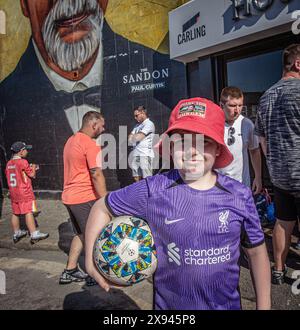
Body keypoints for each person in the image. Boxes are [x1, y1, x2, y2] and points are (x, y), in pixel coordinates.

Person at [85, 97, 271, 310]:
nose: (193, 151)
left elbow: (256, 254)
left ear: (219, 149)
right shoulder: (153, 189)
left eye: (204, 141)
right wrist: (91, 261)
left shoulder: (239, 195)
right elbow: (102, 207)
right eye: (182, 142)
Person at [255, 44, 300, 285]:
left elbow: (262, 140)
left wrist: (273, 165)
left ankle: (279, 269)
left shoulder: (265, 97)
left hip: (280, 175)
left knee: (282, 222)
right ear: (298, 64)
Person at [59, 111, 107, 285]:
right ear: (93, 125)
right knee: (94, 237)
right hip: (84, 198)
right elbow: (96, 174)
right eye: (102, 125)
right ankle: (93, 275)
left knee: (80, 234)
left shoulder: (70, 141)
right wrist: (104, 199)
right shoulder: (90, 144)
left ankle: (70, 270)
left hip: (70, 198)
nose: (104, 128)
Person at [218, 87, 262, 194]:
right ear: (221, 105)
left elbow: (254, 151)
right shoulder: (214, 124)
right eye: (232, 105)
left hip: (241, 185)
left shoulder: (247, 124)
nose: (237, 110)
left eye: (240, 105)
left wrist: (258, 177)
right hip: (218, 185)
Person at [5, 142, 49, 244]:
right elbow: (32, 175)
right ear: (21, 151)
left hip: (13, 192)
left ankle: (17, 233)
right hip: (24, 192)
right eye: (25, 149)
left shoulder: (9, 163)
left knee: (15, 212)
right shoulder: (23, 162)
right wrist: (33, 167)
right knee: (28, 211)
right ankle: (34, 234)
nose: (27, 151)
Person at [128, 105, 155, 181]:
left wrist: (134, 137)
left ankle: (148, 193)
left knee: (147, 179)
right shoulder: (136, 126)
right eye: (134, 116)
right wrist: (134, 137)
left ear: (143, 113)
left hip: (145, 155)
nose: (135, 118)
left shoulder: (149, 124)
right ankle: (139, 193)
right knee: (136, 177)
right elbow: (129, 139)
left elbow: (138, 137)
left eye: (136, 115)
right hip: (135, 154)